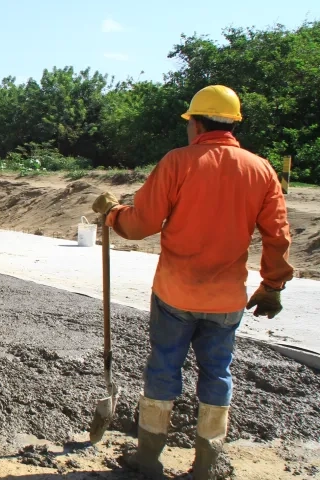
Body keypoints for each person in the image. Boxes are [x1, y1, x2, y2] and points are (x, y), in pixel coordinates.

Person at [91, 85, 293, 480]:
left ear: (196, 122)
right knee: (218, 373)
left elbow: (141, 224)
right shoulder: (261, 169)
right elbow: (278, 234)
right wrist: (272, 285)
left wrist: (114, 213)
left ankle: (148, 460)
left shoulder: (178, 162)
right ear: (233, 123)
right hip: (226, 299)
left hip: (175, 293)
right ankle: (206, 464)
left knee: (164, 367)